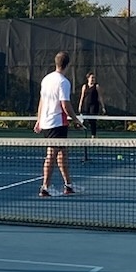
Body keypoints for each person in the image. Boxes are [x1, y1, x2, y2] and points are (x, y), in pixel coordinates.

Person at [34, 51, 83, 196]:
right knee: (52, 155)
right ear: (68, 64)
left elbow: (42, 101)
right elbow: (65, 105)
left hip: (49, 122)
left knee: (62, 154)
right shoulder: (63, 82)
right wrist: (76, 120)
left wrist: (39, 120)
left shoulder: (46, 79)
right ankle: (45, 187)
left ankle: (68, 185)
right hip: (56, 123)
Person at [77, 71, 106, 137]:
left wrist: (103, 107)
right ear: (88, 78)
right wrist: (80, 106)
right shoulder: (84, 86)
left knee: (92, 120)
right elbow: (82, 97)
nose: (93, 79)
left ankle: (93, 135)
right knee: (84, 118)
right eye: (91, 78)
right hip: (86, 105)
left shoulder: (96, 86)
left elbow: (100, 97)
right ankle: (83, 130)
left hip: (94, 106)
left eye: (94, 78)